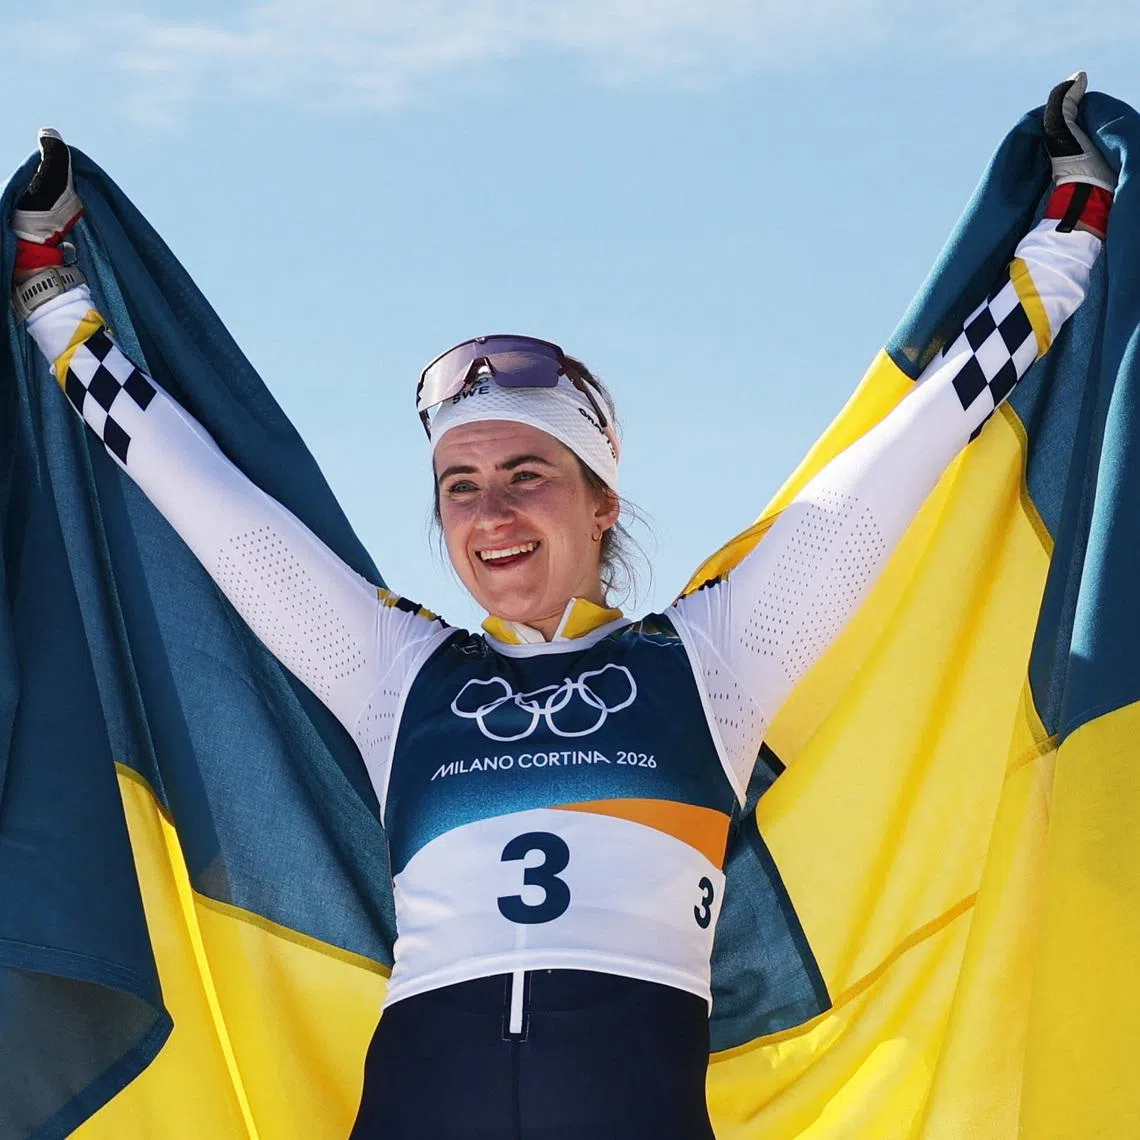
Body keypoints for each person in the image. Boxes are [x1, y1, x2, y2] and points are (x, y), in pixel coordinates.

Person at [10, 75, 1115, 1140]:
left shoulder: (717, 654)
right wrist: (57, 307)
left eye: (525, 474)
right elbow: (211, 508)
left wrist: (1064, 247)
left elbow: (910, 451)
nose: (490, 512)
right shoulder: (394, 669)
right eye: (459, 486)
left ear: (601, 502)